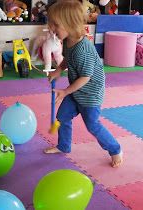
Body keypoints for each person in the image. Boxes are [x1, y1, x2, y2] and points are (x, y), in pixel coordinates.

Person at [43, 0, 123, 168]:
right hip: (76, 91)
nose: (52, 28)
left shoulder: (83, 49)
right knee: (62, 117)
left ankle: (115, 149)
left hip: (90, 95)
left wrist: (64, 92)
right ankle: (64, 145)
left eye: (55, 25)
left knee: (93, 125)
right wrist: (58, 70)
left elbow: (85, 77)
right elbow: (67, 59)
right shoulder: (69, 41)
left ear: (69, 24)